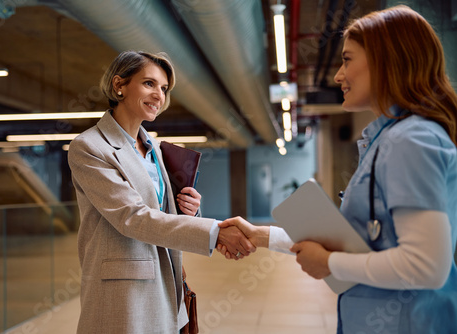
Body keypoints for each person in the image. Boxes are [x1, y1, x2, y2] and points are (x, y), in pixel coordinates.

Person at [219, 5, 457, 334]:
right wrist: (261, 236)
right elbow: (356, 243)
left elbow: (427, 266)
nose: (337, 76)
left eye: (347, 59)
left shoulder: (410, 139)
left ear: (387, 59)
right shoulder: (389, 139)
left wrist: (328, 264)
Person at [68, 50, 255, 333]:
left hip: (166, 280)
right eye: (149, 84)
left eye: (164, 88)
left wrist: (190, 209)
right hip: (124, 292)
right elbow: (133, 217)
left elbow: (161, 211)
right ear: (119, 85)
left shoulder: (155, 147)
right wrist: (215, 232)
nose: (159, 95)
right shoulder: (90, 147)